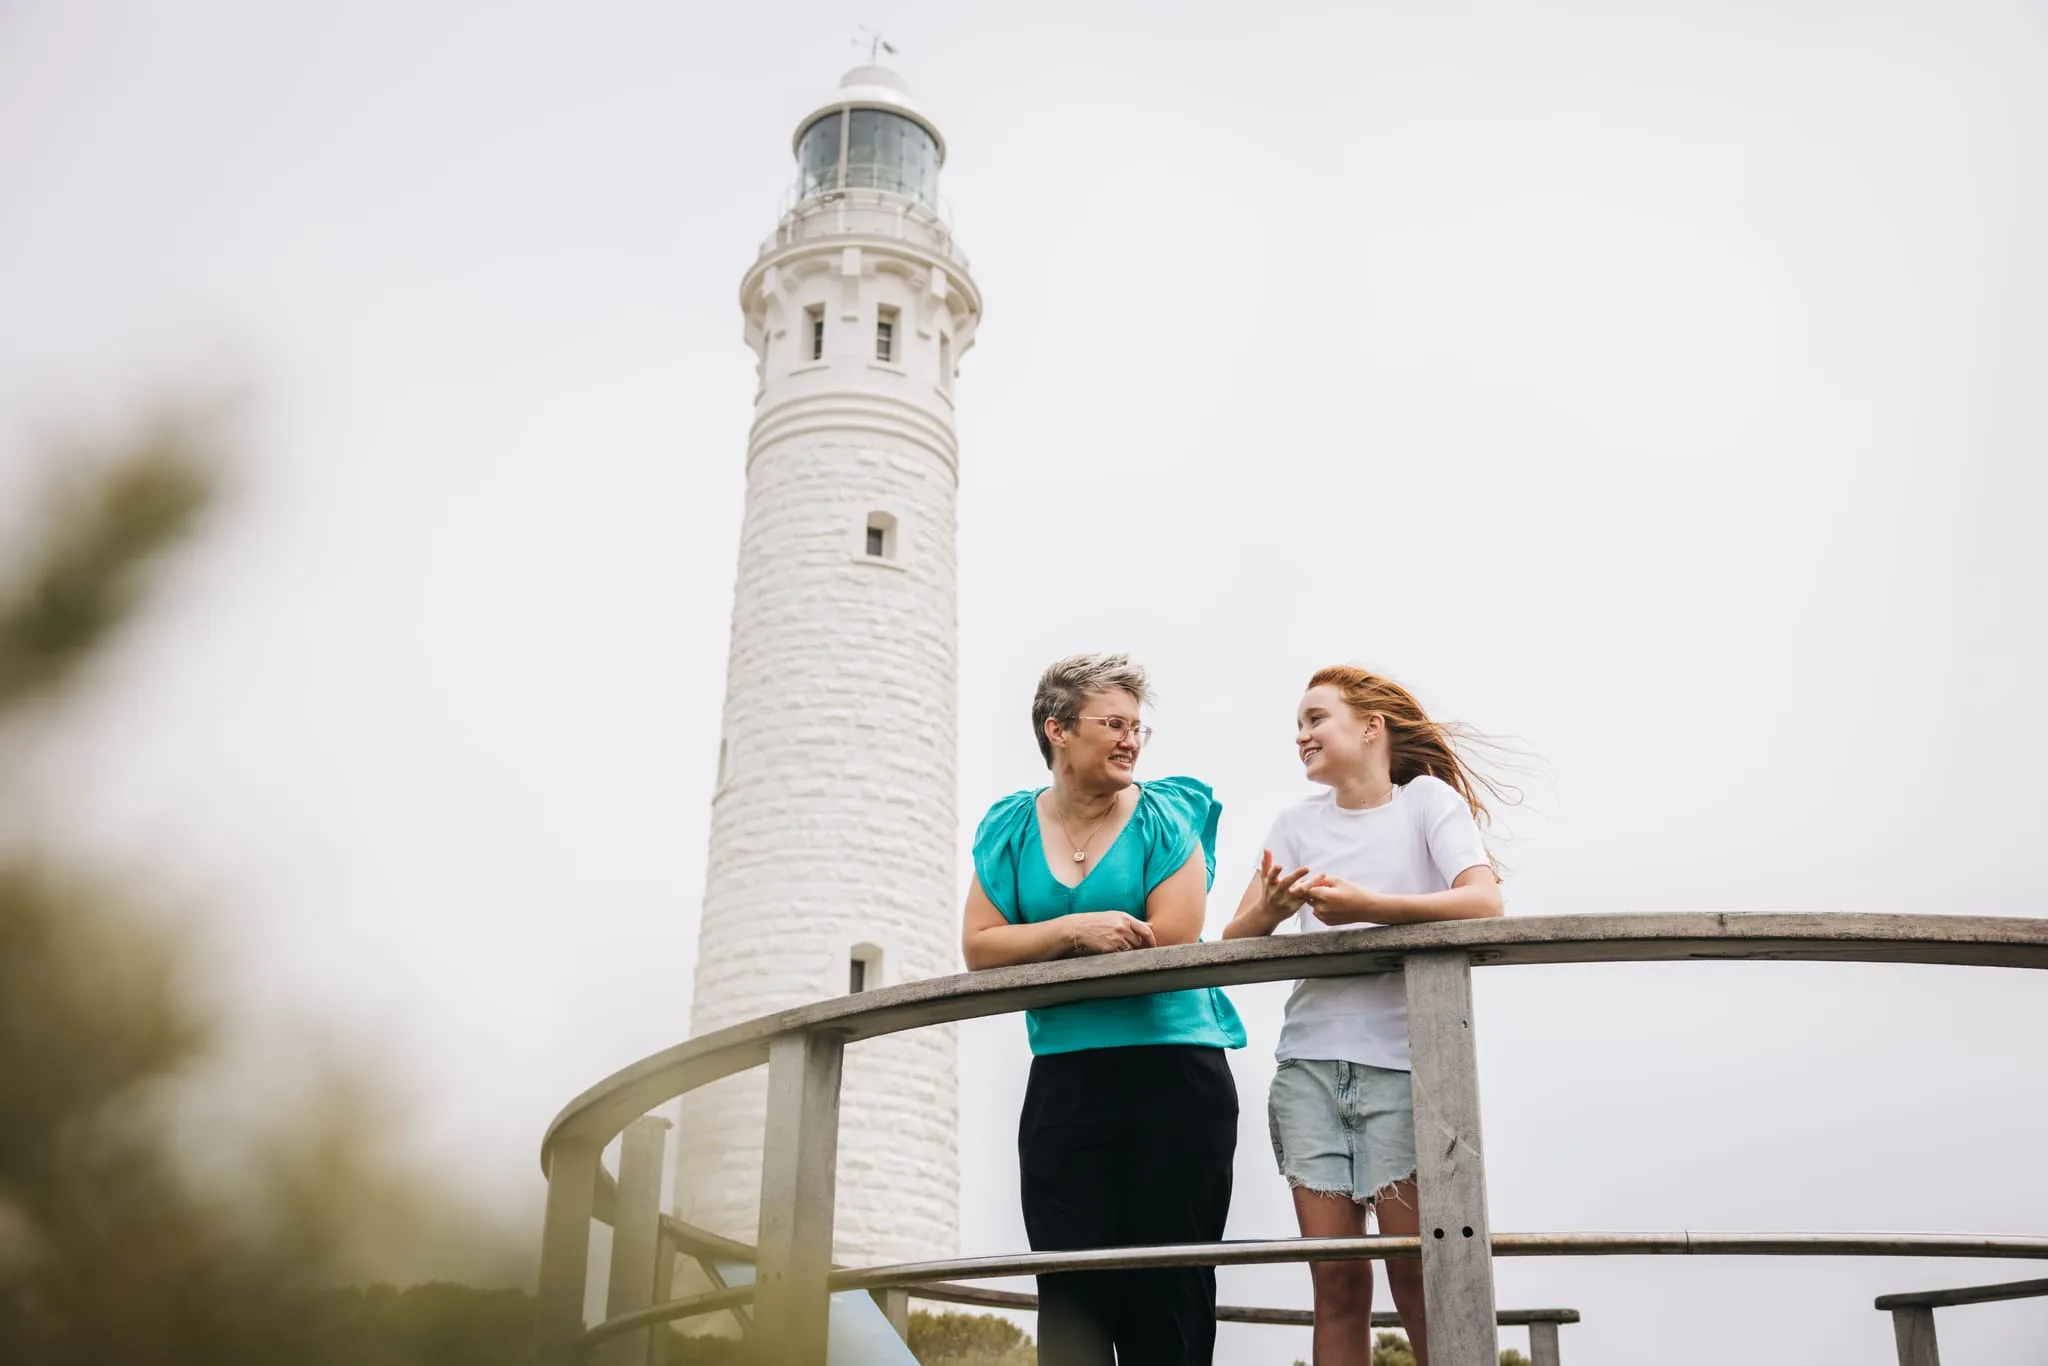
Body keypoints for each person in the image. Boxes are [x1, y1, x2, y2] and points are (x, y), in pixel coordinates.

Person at [961, 653, 1246, 1365]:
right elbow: (980, 946)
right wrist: (1072, 930)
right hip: (1065, 1079)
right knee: (1072, 1292)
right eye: (1112, 724)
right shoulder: (1009, 827)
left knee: (1169, 1292)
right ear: (1058, 730)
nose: (1131, 740)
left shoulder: (1166, 812)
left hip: (1175, 1073)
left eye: (1137, 727)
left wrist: (1039, 948)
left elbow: (1171, 936)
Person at [1222, 666, 1507, 1366]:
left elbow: (1483, 902)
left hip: (1407, 1076)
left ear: (1371, 728)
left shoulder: (1426, 805)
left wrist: (1367, 909)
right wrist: (1272, 911)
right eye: (1299, 723)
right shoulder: (1293, 825)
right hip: (1310, 1072)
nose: (1301, 736)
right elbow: (1232, 942)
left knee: (1419, 1277)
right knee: (1338, 1286)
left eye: (1316, 718)